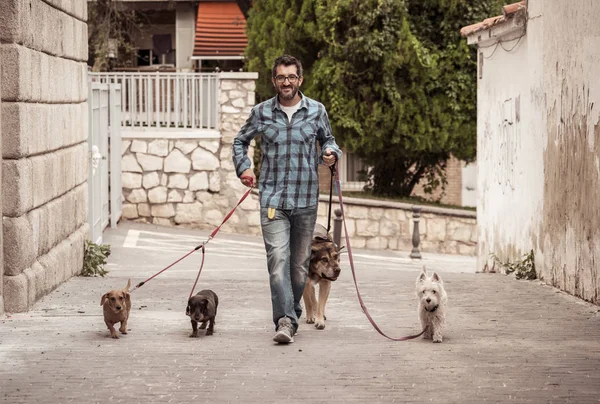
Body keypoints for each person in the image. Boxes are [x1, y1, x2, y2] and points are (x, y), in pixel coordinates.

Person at [232, 55, 341, 344]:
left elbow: (328, 139)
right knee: (278, 260)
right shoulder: (262, 113)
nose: (287, 82)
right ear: (274, 81)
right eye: (281, 77)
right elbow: (240, 141)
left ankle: (289, 315)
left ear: (300, 80)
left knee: (299, 267)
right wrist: (244, 166)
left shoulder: (316, 111)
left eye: (291, 77)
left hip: (306, 200)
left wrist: (330, 152)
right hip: (273, 201)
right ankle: (285, 321)